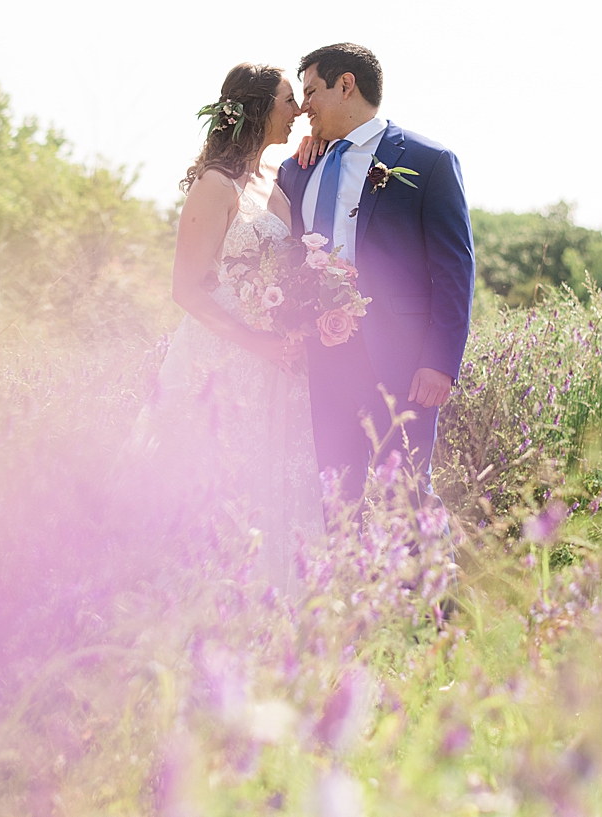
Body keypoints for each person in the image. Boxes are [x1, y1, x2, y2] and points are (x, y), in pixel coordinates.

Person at [140, 62, 325, 593]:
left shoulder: (276, 182)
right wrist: (257, 342)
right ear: (260, 108)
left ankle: (275, 611)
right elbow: (186, 288)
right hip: (220, 361)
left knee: (273, 487)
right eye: (289, 100)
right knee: (215, 485)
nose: (299, 111)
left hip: (276, 363)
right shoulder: (214, 185)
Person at [276, 43, 475, 505]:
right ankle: (345, 580)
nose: (304, 107)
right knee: (332, 498)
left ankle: (422, 581)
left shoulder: (429, 161)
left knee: (408, 497)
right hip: (322, 368)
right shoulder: (297, 170)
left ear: (346, 85)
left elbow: (454, 266)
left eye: (311, 92)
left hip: (402, 365)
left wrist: (441, 361)